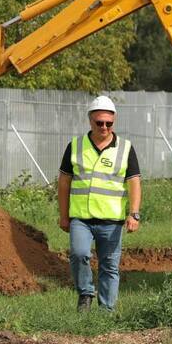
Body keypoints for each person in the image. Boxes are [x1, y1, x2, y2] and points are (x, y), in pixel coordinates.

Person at [57, 95, 141, 311]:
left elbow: (134, 183)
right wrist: (64, 215)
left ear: (114, 121)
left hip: (112, 220)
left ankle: (106, 312)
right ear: (90, 121)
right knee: (79, 254)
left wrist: (134, 213)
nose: (104, 127)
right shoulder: (75, 146)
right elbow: (64, 182)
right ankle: (85, 293)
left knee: (109, 267)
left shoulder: (125, 148)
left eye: (109, 123)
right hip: (81, 218)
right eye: (99, 122)